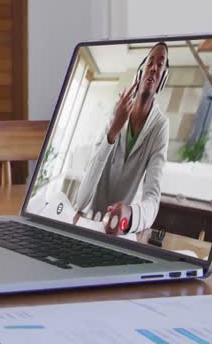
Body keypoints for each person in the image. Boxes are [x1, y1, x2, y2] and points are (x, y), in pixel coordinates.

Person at [70, 42, 171, 236]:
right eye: (150, 62)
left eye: (160, 64)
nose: (153, 68)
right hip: (87, 222)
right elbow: (81, 200)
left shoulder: (160, 127)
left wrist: (130, 215)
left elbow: (152, 197)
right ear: (140, 72)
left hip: (120, 231)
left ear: (162, 79)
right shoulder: (117, 112)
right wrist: (113, 132)